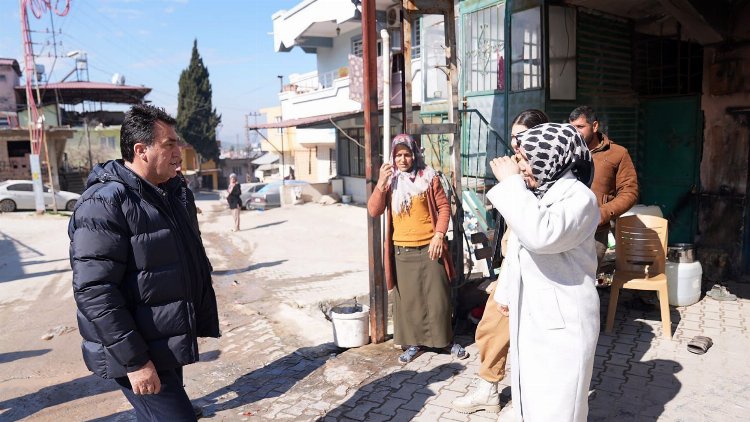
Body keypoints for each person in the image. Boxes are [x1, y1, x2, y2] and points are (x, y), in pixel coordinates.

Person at [69, 104, 220, 421]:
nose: (179, 152)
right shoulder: (104, 202)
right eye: (169, 144)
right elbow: (95, 291)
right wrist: (135, 361)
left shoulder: (169, 192)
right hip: (136, 349)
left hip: (163, 340)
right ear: (141, 150)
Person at [487, 122, 600, 421]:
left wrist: (511, 184)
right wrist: (506, 292)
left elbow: (541, 236)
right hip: (536, 316)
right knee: (534, 399)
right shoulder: (537, 194)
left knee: (558, 408)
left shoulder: (580, 199)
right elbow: (517, 249)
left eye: (526, 158)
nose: (521, 166)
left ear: (552, 157)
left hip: (565, 323)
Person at [452, 109, 549, 415]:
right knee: (491, 326)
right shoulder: (518, 170)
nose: (515, 145)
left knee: (518, 333)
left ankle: (522, 398)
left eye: (522, 138)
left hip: (534, 268)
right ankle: (488, 389)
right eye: (513, 138)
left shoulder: (544, 173)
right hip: (513, 262)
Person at [367, 133, 467, 364]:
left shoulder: (428, 177)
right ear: (392, 157)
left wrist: (439, 235)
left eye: (407, 154)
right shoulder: (390, 181)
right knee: (409, 301)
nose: (402, 159)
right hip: (402, 251)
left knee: (438, 298)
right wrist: (381, 183)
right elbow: (374, 210)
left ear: (414, 155)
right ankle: (414, 344)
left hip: (431, 248)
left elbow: (444, 208)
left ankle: (444, 341)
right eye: (398, 155)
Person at [569, 106, 638, 271]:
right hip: (566, 225)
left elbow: (630, 192)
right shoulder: (565, 150)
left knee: (586, 277)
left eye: (580, 127)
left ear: (594, 126)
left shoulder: (618, 153)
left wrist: (604, 213)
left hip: (595, 231)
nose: (575, 132)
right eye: (572, 128)